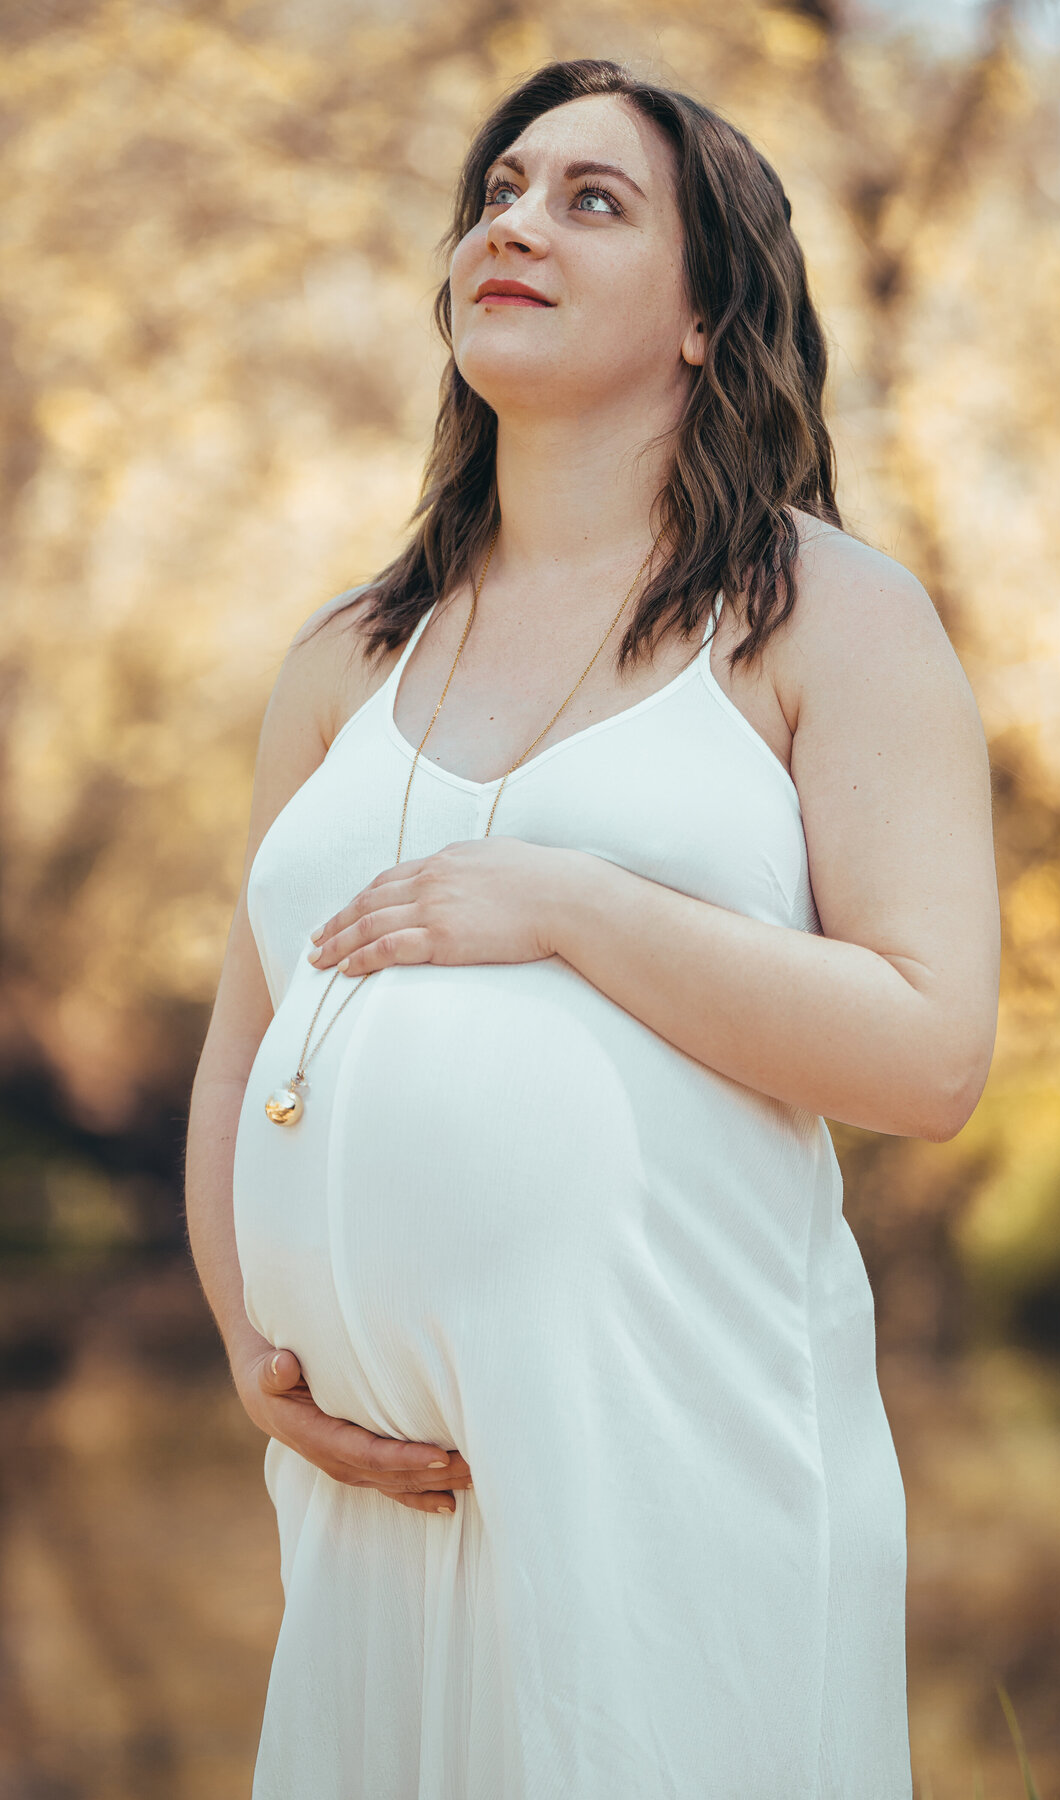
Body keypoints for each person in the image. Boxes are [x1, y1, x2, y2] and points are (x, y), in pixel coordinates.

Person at [185, 56, 999, 1800]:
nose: (513, 223)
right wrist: (251, 1355)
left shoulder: (825, 615)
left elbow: (931, 1051)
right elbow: (251, 1032)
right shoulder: (346, 653)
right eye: (497, 191)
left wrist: (568, 906)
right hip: (367, 1494)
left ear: (710, 313)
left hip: (678, 1466)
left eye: (589, 199)